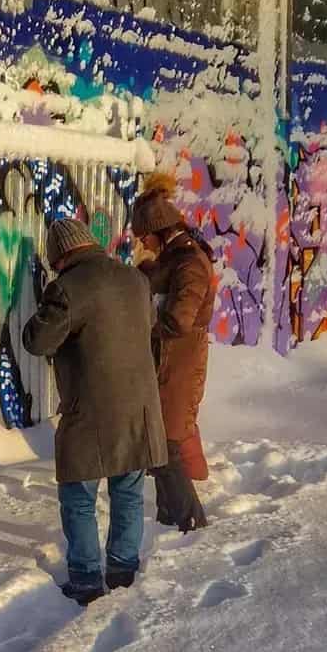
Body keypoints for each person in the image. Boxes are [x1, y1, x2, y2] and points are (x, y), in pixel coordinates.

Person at [22, 217, 167, 604]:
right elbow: (147, 326)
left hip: (90, 410)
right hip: (138, 406)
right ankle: (122, 570)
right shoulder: (136, 279)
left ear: (61, 255)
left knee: (79, 496)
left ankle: (86, 579)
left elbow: (37, 341)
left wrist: (42, 309)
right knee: (128, 493)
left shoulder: (67, 288)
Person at [131, 172, 217, 534]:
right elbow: (159, 284)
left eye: (144, 237)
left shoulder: (190, 262)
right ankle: (171, 516)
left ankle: (190, 520)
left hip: (180, 361)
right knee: (159, 441)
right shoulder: (175, 258)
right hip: (168, 361)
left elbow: (179, 320)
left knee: (167, 442)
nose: (142, 243)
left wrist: (140, 327)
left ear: (158, 231)